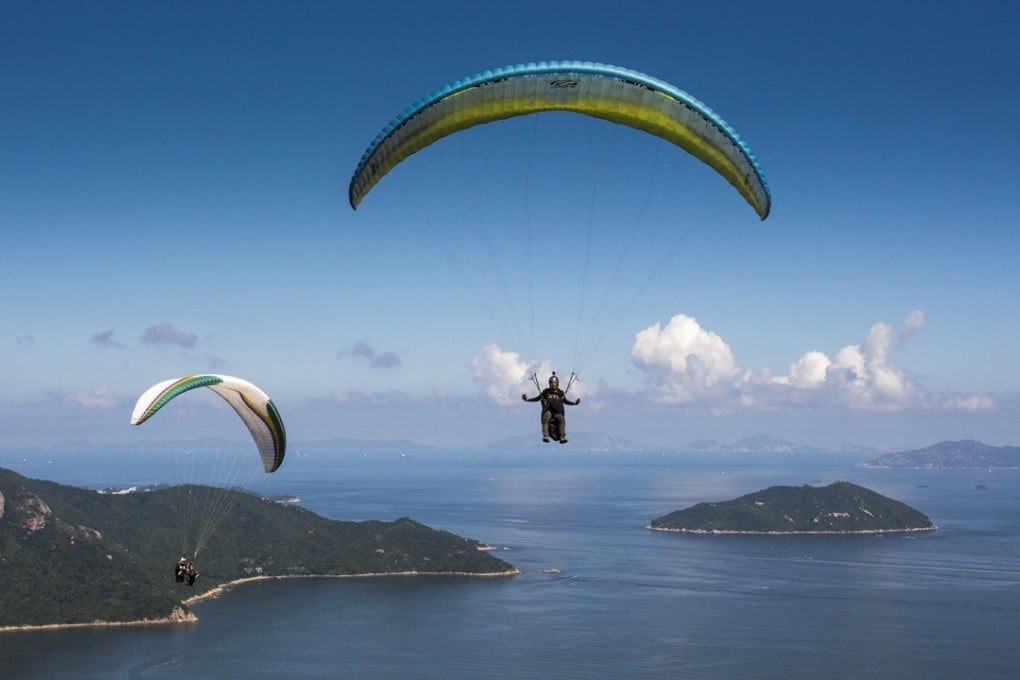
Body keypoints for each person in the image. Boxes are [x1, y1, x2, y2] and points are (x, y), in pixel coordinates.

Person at [522, 373, 580, 443]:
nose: (553, 384)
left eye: (554, 383)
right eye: (551, 383)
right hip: (548, 410)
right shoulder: (545, 392)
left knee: (561, 419)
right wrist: (527, 399)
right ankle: (546, 436)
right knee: (546, 417)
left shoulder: (560, 393)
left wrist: (574, 403)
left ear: (557, 383)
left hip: (557, 412)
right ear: (549, 383)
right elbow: (537, 398)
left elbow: (566, 401)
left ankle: (562, 437)